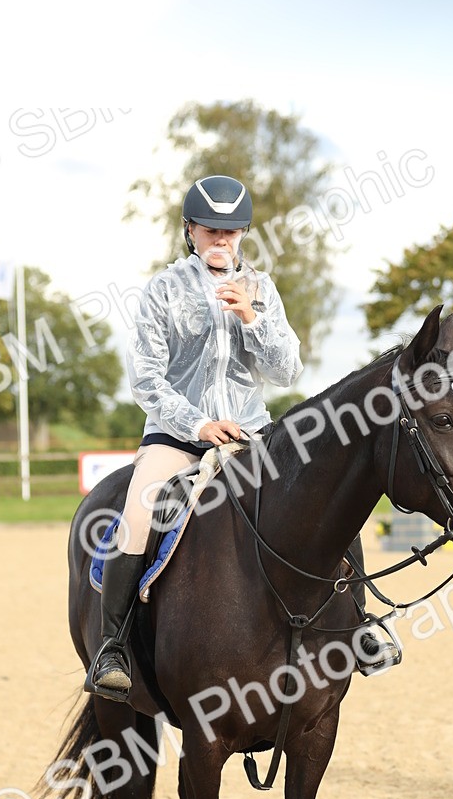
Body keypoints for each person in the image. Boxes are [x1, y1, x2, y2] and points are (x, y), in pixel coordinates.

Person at [86, 174, 392, 702]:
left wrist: (251, 316)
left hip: (250, 435)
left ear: (244, 233)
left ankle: (360, 621)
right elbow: (146, 379)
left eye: (231, 232)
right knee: (139, 511)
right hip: (177, 437)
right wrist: (198, 425)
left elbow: (287, 369)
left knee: (327, 495)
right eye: (210, 231)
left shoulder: (263, 289)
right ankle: (112, 644)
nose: (221, 241)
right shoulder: (163, 289)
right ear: (190, 231)